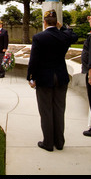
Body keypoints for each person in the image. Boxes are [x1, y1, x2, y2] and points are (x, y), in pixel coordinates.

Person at [27, 10, 78, 151]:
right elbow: (74, 36)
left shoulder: (39, 37)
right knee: (59, 110)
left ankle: (48, 143)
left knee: (46, 111)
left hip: (44, 78)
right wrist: (62, 28)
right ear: (56, 22)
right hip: (61, 77)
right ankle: (59, 142)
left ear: (44, 22)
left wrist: (31, 77)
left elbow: (34, 60)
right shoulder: (64, 36)